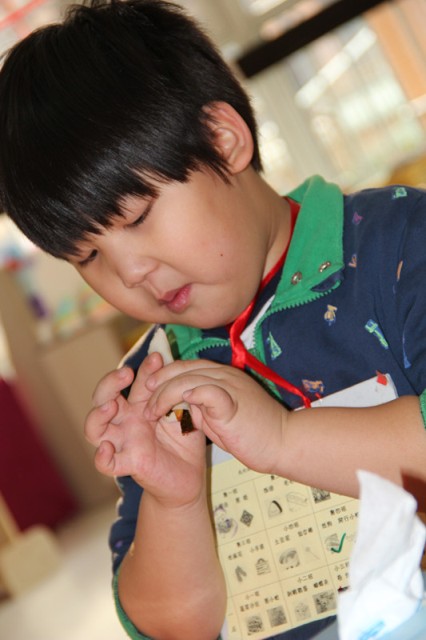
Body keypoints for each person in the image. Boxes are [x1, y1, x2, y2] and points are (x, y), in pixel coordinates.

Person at [0, 1, 425, 639]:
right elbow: (172, 626)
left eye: (138, 217)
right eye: (88, 256)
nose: (129, 272)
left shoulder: (400, 244)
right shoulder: (156, 382)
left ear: (224, 141)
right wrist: (175, 501)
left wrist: (282, 440)